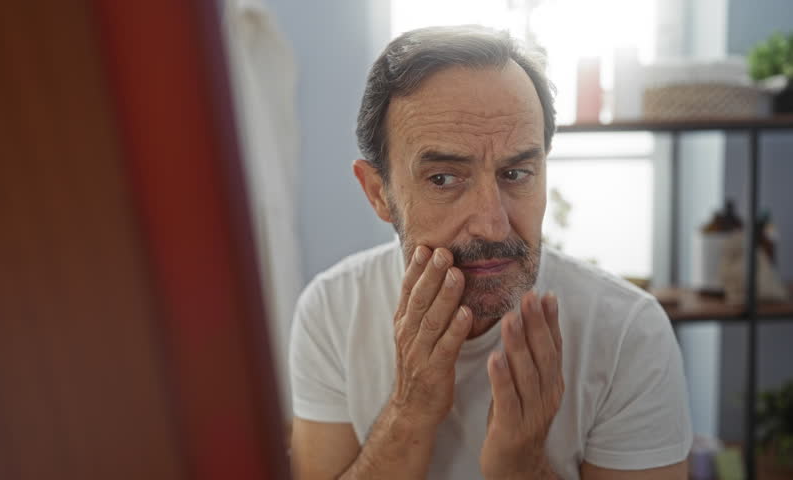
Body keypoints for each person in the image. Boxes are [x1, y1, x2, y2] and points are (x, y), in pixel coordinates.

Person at [288, 25, 692, 480]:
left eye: (517, 173)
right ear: (379, 193)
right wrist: (409, 411)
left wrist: (523, 465)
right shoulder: (333, 310)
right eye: (443, 179)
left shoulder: (626, 333)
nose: (493, 224)